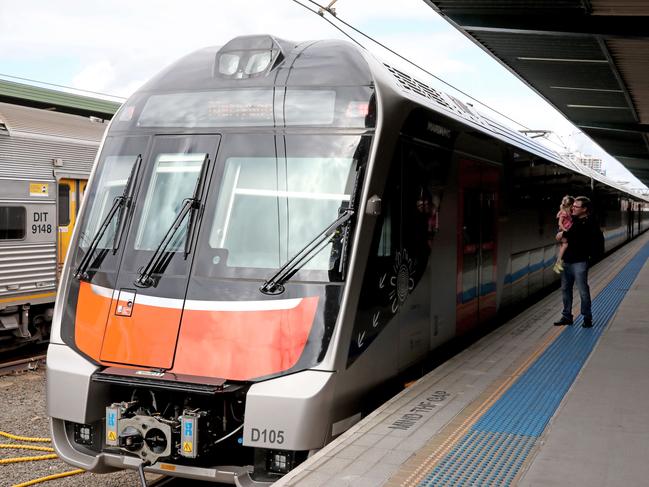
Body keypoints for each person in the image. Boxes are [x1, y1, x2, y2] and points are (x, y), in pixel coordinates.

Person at [553, 196, 596, 328]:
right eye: (573, 206)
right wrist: (563, 235)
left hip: (580, 262)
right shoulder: (573, 220)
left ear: (584, 209)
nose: (573, 208)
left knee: (583, 290)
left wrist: (564, 235)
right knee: (565, 289)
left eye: (576, 207)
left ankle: (587, 317)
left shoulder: (590, 223)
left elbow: (576, 237)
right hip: (567, 260)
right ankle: (567, 316)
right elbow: (561, 236)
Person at [552, 195, 574, 273]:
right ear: (571, 205)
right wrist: (565, 231)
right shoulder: (564, 212)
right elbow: (559, 223)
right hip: (562, 231)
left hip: (564, 231)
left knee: (562, 248)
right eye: (573, 206)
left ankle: (558, 265)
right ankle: (557, 264)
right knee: (565, 245)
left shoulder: (568, 212)